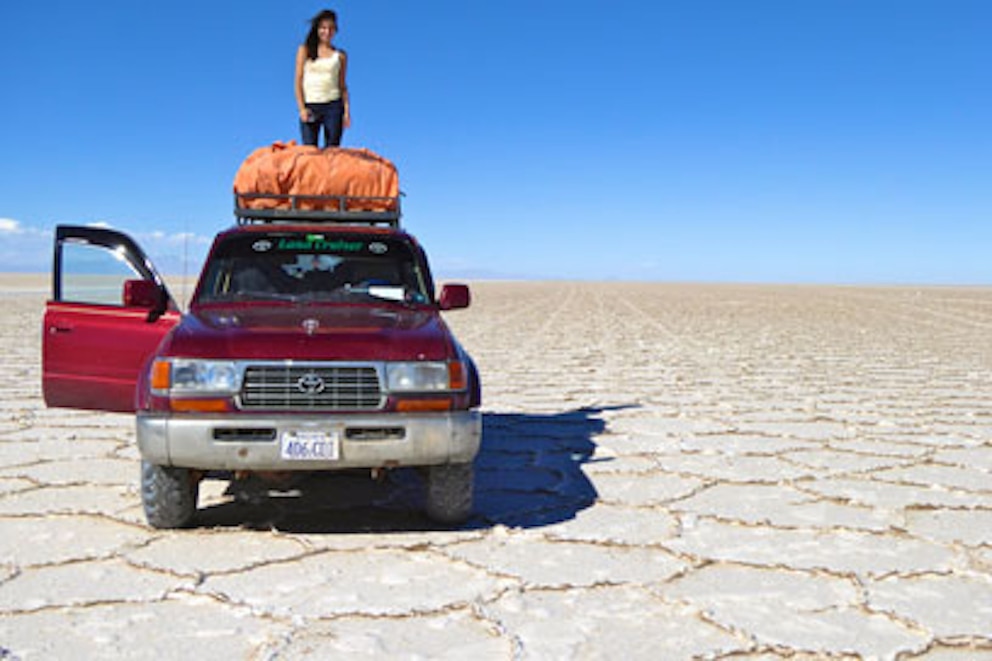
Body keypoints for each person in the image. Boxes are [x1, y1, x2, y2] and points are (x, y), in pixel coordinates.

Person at [295, 9, 350, 147]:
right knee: (310, 150)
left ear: (335, 30)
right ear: (317, 29)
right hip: (311, 105)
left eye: (331, 28)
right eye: (323, 28)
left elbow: (342, 85)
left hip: (333, 106)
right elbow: (298, 81)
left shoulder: (340, 56)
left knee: (332, 151)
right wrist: (301, 108)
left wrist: (347, 112)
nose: (327, 31)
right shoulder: (305, 50)